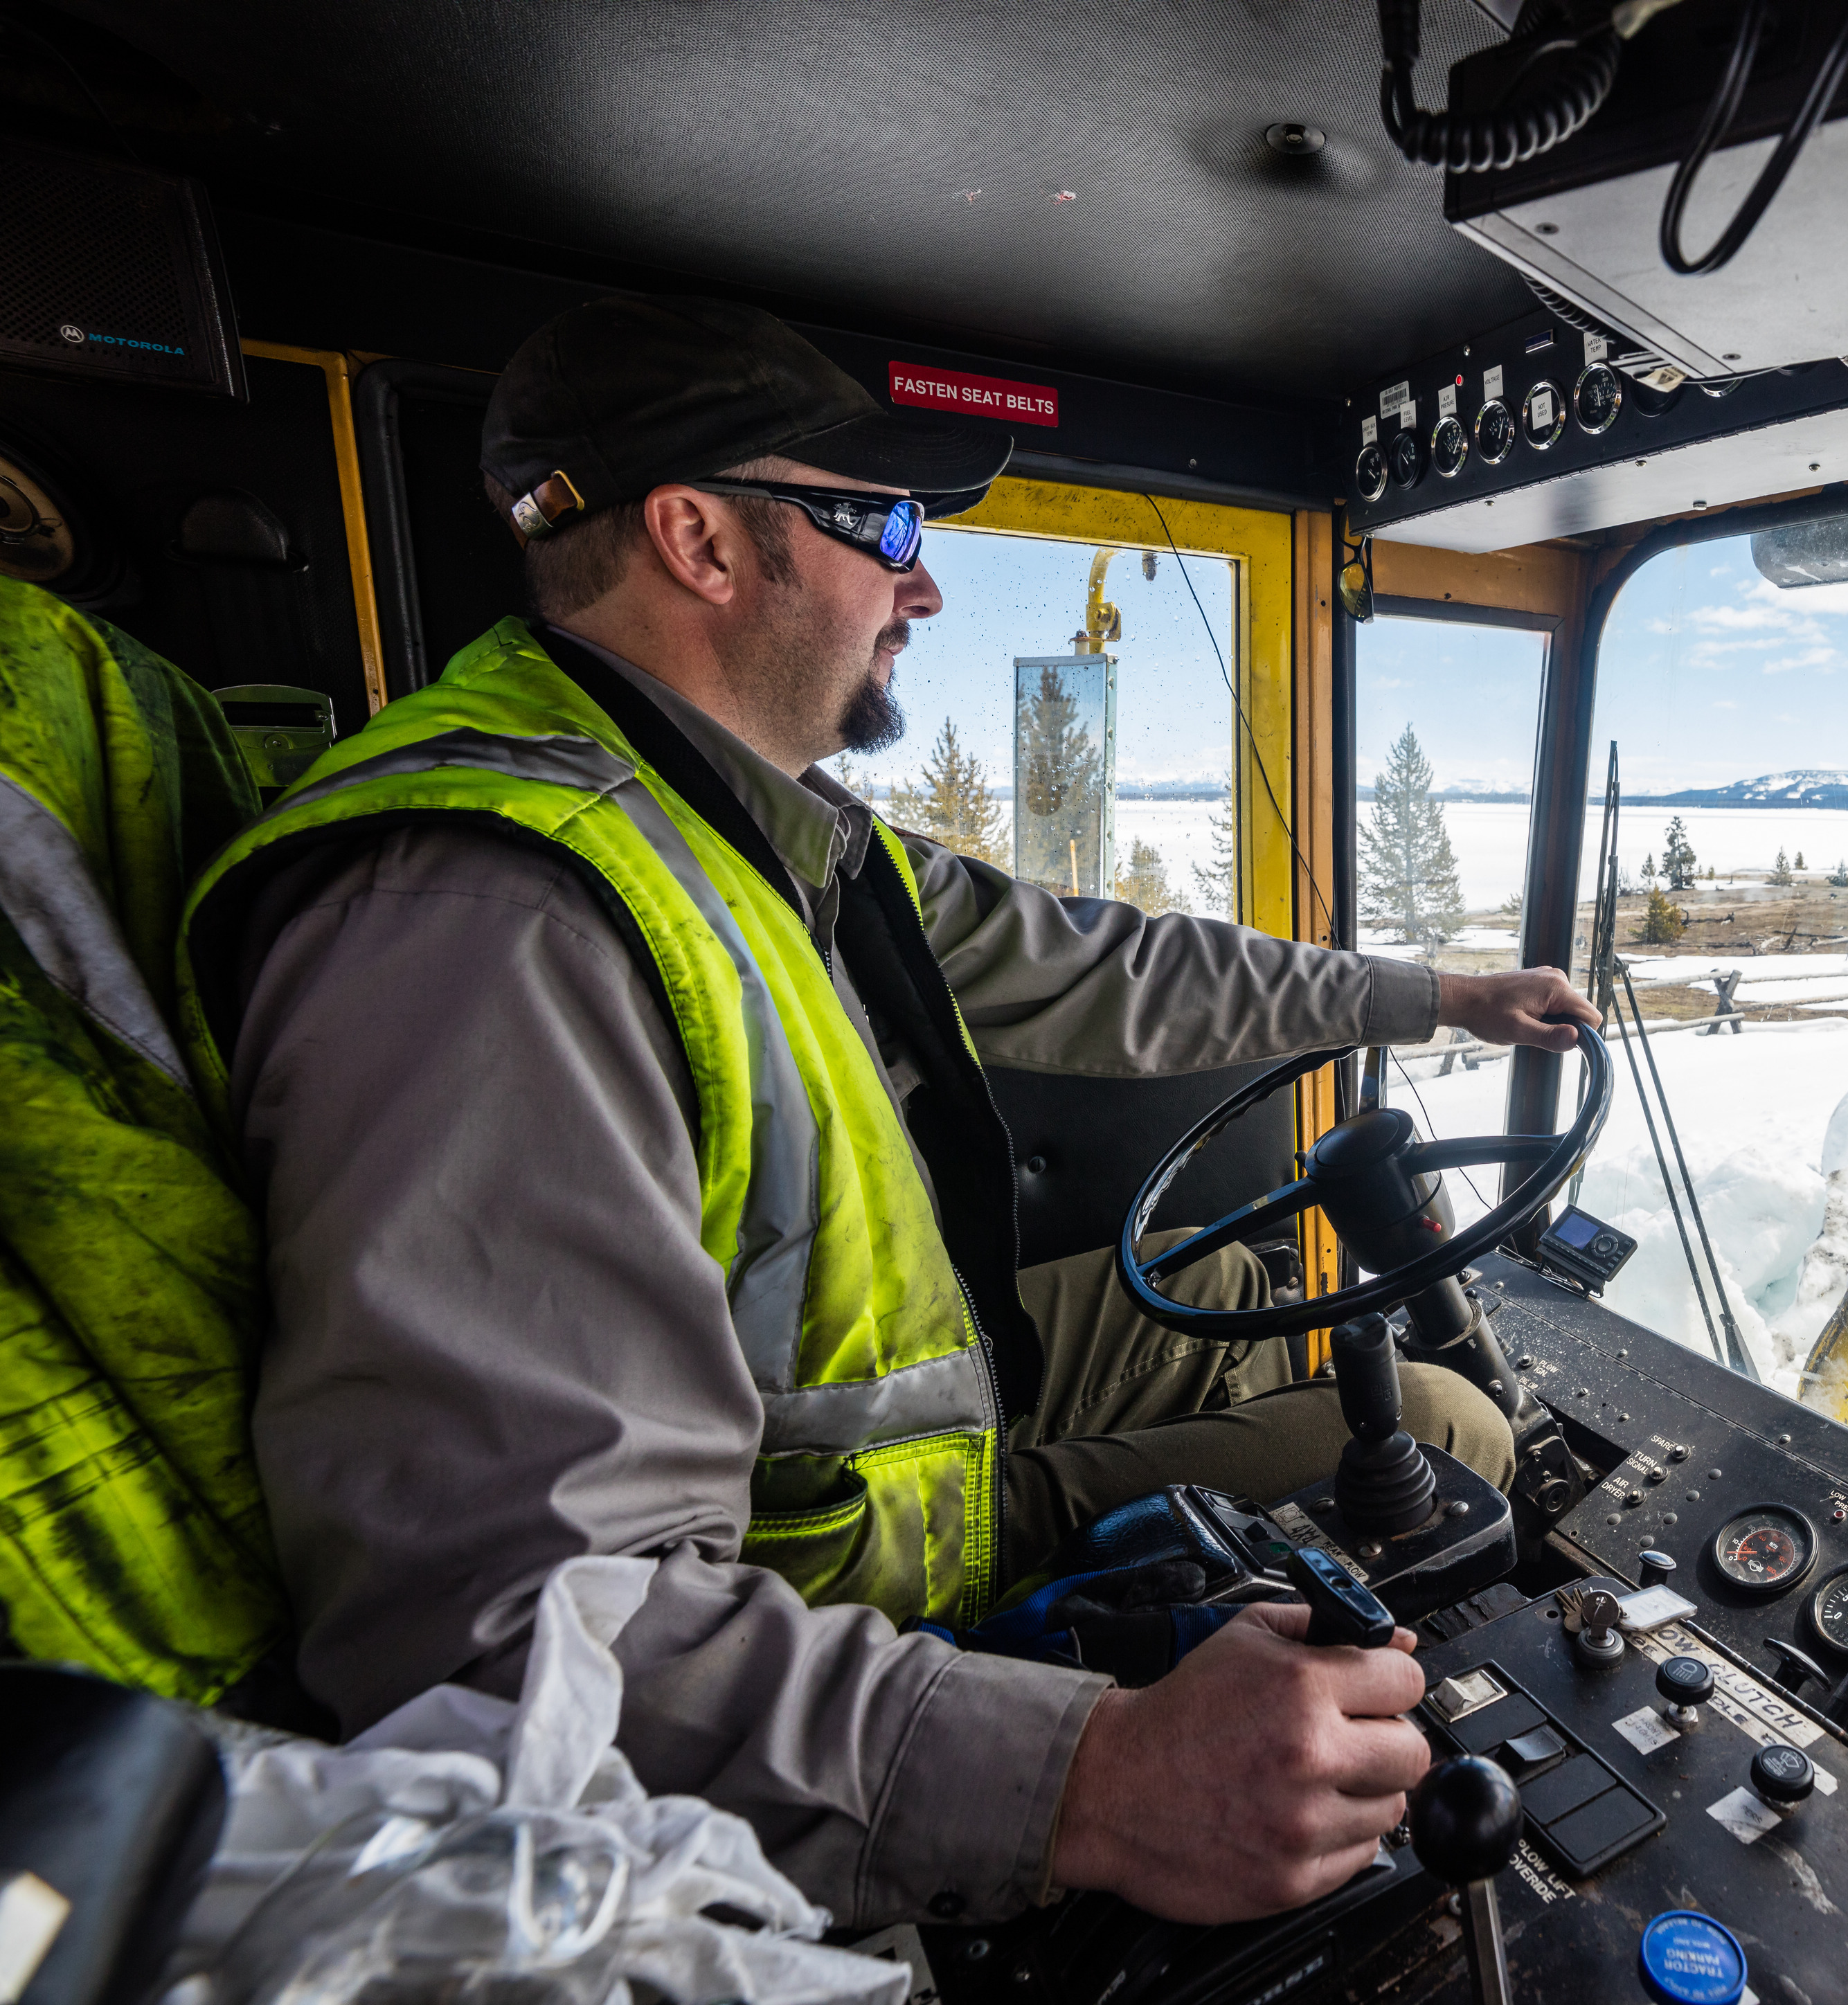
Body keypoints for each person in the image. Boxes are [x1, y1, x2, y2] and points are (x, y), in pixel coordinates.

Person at [177, 296, 1598, 1929]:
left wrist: (1431, 995)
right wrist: (1091, 1769)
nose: (923, 582)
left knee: (1231, 1287)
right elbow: (510, 1648)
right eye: (882, 526)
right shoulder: (496, 925)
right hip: (846, 1568)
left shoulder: (742, 826)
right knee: (1446, 1427)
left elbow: (1110, 962)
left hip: (889, 1427)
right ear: (700, 539)